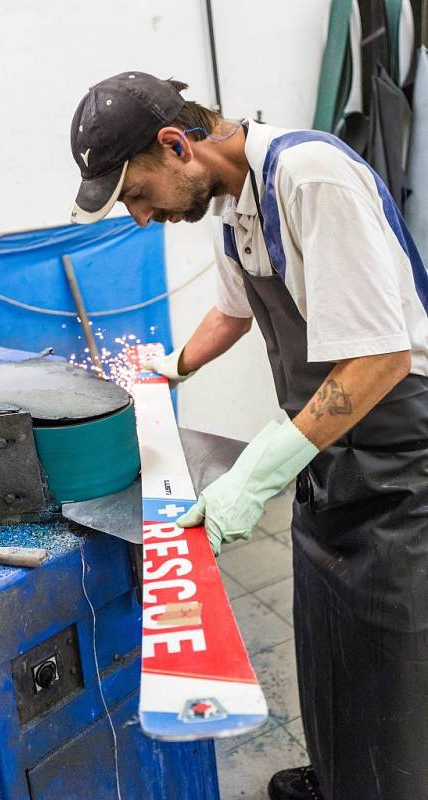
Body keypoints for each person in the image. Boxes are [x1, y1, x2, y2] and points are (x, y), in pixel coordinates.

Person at [69, 71, 428, 800]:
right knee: (329, 643)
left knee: (392, 668)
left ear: (176, 146)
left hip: (400, 461)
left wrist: (257, 472)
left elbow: (380, 360)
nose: (139, 217)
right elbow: (233, 313)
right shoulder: (236, 205)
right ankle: (339, 776)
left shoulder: (311, 176)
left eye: (136, 193)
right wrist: (171, 367)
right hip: (329, 457)